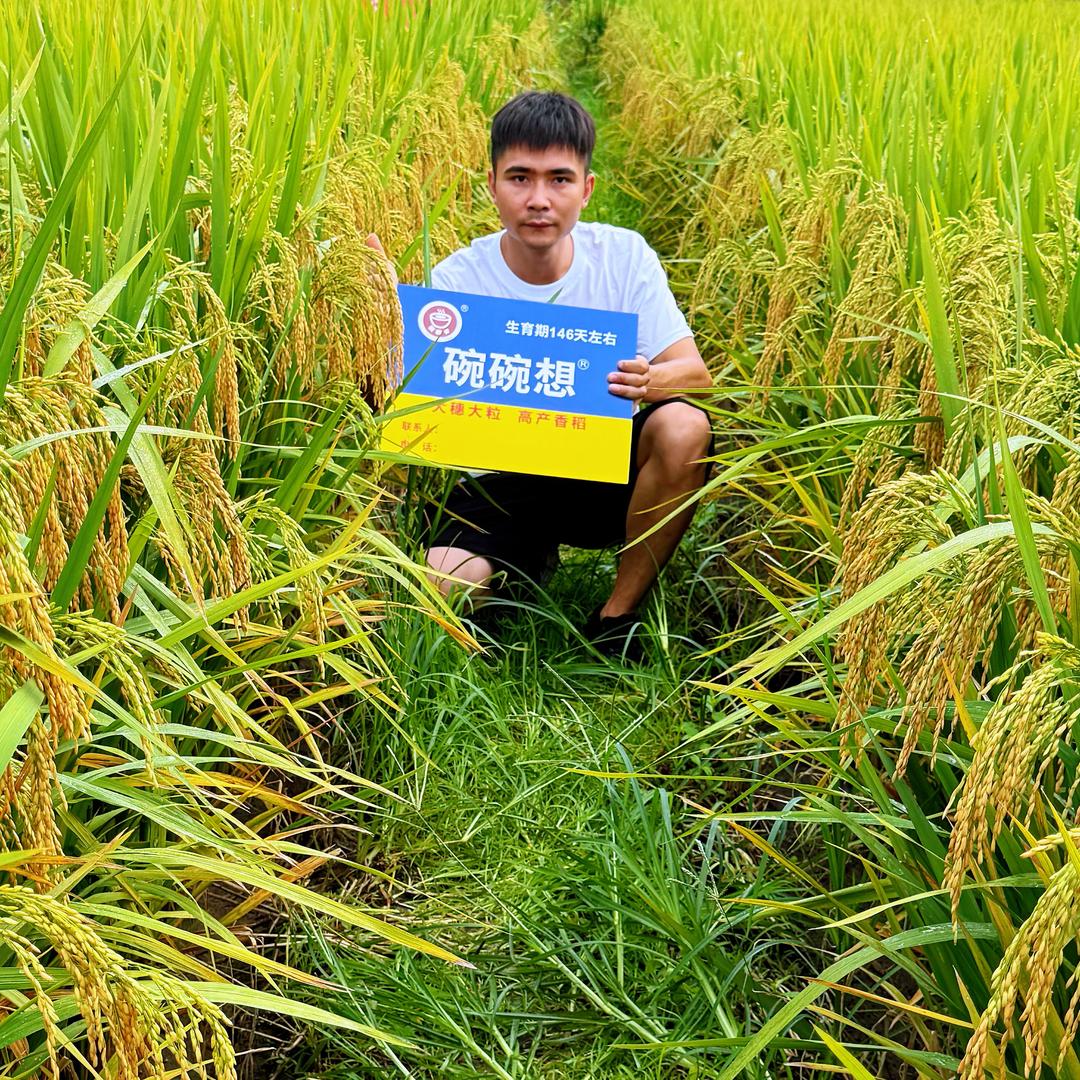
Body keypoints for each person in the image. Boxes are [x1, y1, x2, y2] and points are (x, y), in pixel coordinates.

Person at [374, 91, 713, 657]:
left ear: (587, 188)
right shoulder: (456, 281)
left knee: (684, 426)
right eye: (520, 178)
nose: (538, 199)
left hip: (602, 473)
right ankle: (519, 568)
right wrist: (381, 315)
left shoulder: (624, 258)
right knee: (440, 585)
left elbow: (695, 374)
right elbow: (391, 397)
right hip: (500, 485)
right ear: (492, 184)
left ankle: (617, 615)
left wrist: (648, 382)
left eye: (559, 179)